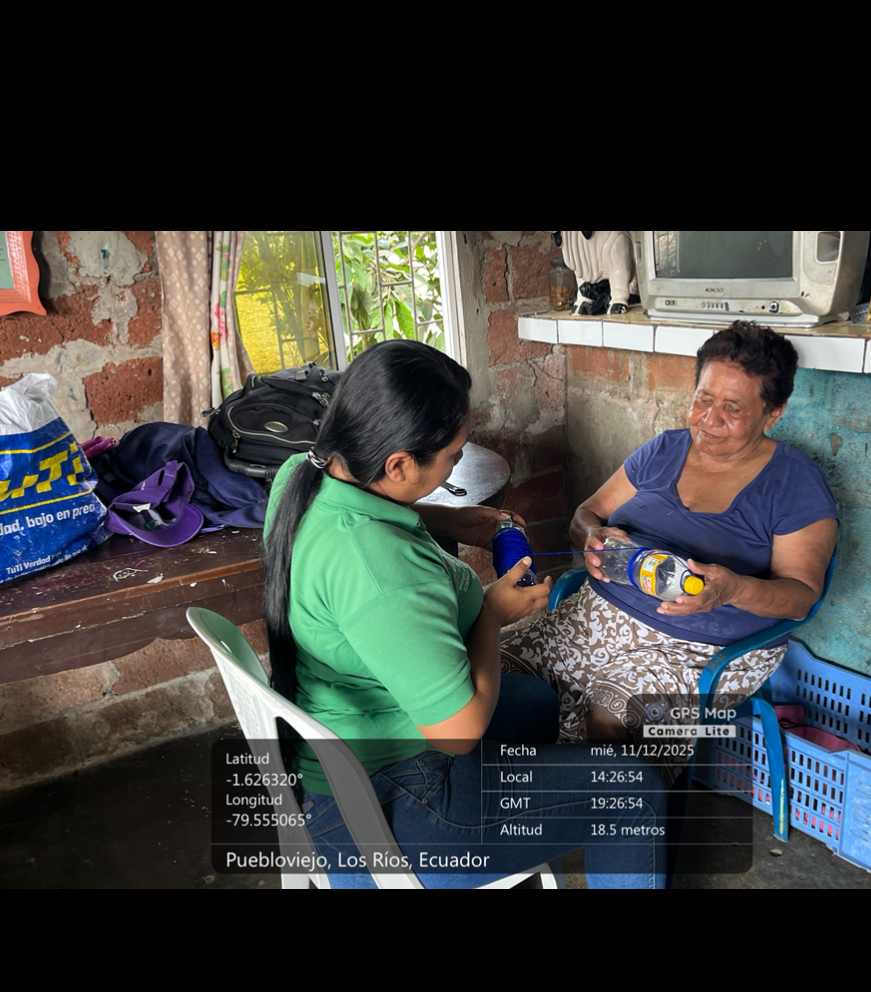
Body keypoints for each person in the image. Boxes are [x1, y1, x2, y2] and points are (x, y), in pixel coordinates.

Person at [263, 339, 671, 889]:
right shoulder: (381, 571)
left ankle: (526, 822)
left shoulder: (303, 472)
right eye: (453, 456)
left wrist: (448, 521)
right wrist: (490, 613)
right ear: (398, 463)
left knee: (535, 702)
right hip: (387, 809)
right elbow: (457, 734)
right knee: (633, 791)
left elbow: (367, 517)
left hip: (343, 743)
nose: (457, 462)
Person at [499, 323, 838, 747]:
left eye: (733, 408)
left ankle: (595, 790)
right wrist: (592, 535)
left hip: (699, 649)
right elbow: (587, 514)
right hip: (591, 619)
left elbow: (801, 596)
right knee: (487, 675)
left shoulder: (794, 482)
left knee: (609, 723)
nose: (709, 420)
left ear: (773, 413)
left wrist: (733, 590)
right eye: (703, 399)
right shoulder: (663, 450)